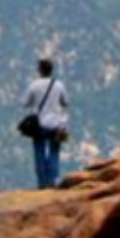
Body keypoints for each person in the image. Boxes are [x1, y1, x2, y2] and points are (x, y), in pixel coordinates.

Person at [23, 57, 69, 190]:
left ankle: (42, 182)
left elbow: (25, 103)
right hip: (56, 124)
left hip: (39, 124)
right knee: (54, 151)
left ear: (40, 70)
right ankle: (52, 180)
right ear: (51, 70)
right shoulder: (59, 85)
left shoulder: (34, 85)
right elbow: (65, 102)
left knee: (39, 151)